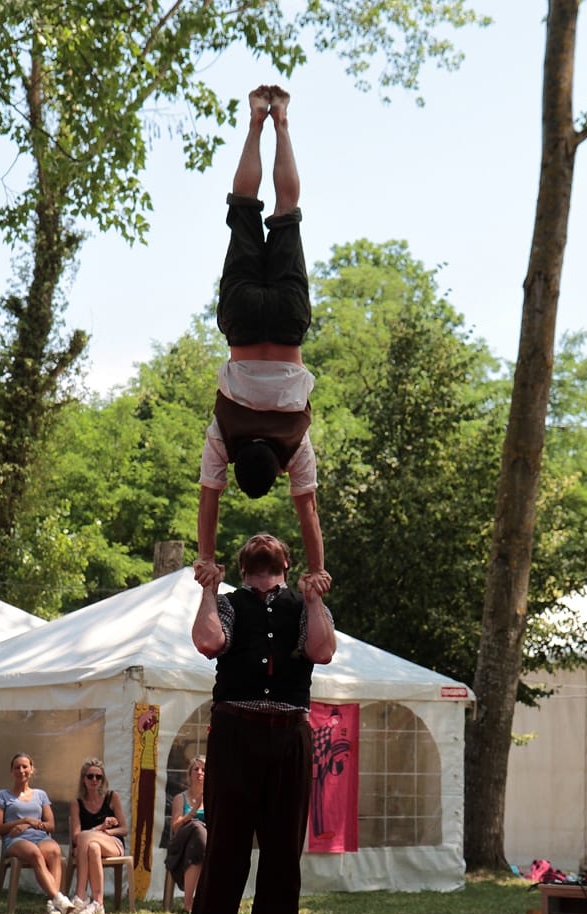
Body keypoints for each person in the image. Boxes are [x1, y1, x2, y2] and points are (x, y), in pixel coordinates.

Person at [181, 532, 336, 914]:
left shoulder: (305, 604)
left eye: (272, 540)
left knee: (284, 852)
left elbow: (322, 652)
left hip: (289, 735)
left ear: (286, 562)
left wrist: (312, 601)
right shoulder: (228, 602)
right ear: (244, 564)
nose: (264, 539)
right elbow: (208, 642)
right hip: (236, 732)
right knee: (226, 847)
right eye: (256, 540)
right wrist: (208, 588)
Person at [194, 85, 331, 598]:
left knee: (288, 208)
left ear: (275, 468)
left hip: (289, 327)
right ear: (235, 462)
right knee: (246, 207)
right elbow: (209, 499)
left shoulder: (294, 446)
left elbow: (309, 511)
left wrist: (316, 571)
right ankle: (256, 121)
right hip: (243, 325)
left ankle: (283, 122)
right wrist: (204, 559)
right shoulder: (222, 436)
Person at [0, 752, 74, 914]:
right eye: (17, 767)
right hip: (15, 840)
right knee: (34, 853)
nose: (21, 770)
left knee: (55, 852)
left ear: (31, 769)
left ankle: (53, 906)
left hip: (40, 836)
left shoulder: (40, 795)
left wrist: (31, 824)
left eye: (25, 767)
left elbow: (51, 825)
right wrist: (23, 821)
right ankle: (58, 899)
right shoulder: (2, 795)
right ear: (11, 771)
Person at [69, 757, 129, 914]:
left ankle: (80, 895)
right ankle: (98, 903)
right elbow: (75, 836)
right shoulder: (77, 804)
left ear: (103, 779)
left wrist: (106, 832)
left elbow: (124, 829)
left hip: (112, 843)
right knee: (92, 845)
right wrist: (99, 828)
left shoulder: (112, 797)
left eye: (98, 776)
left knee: (86, 838)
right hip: (89, 845)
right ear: (83, 779)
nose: (94, 780)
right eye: (90, 776)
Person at [165, 755, 207, 912]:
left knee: (195, 849)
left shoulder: (213, 798)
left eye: (203, 770)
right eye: (195, 769)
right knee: (196, 827)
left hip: (197, 846)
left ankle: (189, 905)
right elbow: (176, 827)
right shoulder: (180, 798)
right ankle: (191, 903)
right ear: (189, 775)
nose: (199, 773)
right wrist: (193, 813)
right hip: (181, 842)